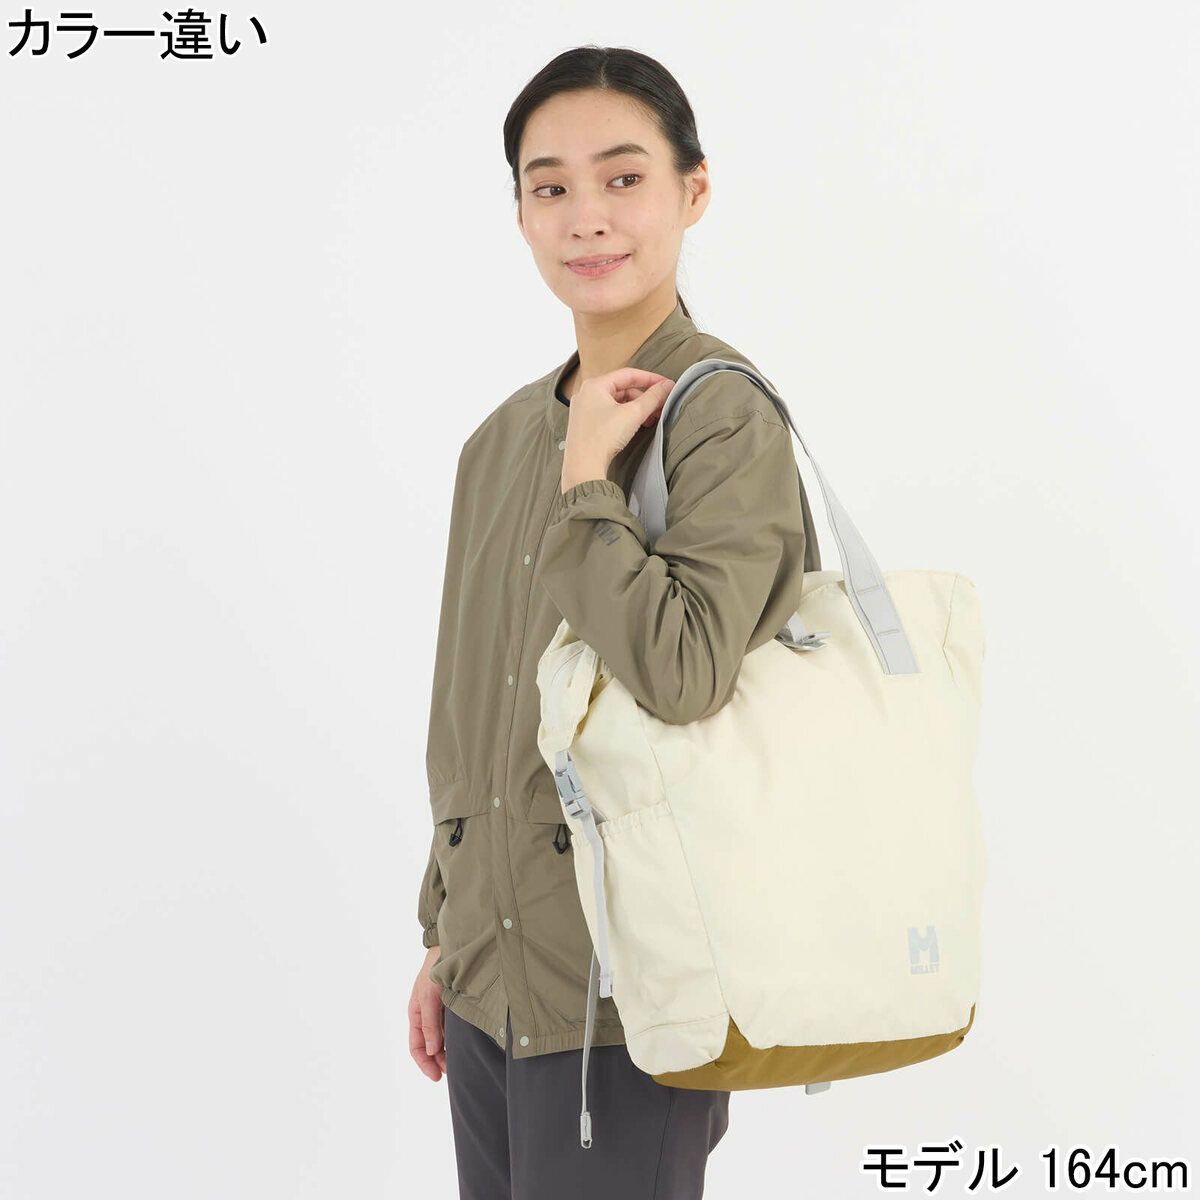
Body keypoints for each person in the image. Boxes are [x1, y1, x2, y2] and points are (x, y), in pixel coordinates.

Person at [407, 44, 821, 1199]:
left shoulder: (721, 415)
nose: (586, 215)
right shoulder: (499, 443)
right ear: (521, 213)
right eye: (550, 186)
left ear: (694, 189)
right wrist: (446, 933)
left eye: (624, 177)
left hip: (626, 992)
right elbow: (471, 714)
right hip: (491, 981)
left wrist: (591, 485)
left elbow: (685, 674)